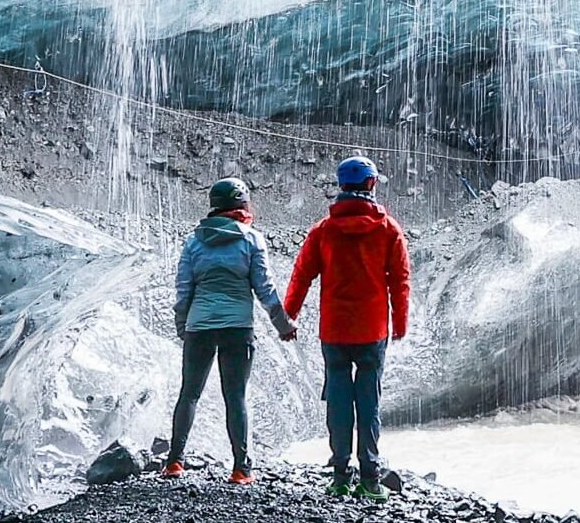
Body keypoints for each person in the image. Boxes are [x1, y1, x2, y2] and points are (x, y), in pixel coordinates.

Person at [284, 153, 411, 503]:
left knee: (338, 400)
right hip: (373, 331)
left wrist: (288, 317)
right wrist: (399, 322)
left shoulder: (323, 231)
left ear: (341, 186)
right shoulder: (389, 229)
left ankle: (340, 475)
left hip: (335, 331)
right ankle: (370, 479)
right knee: (369, 400)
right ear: (371, 184)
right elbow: (399, 280)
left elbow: (302, 276)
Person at [162, 177, 296, 486]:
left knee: (189, 394)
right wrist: (283, 325)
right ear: (241, 203)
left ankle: (174, 463)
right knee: (235, 396)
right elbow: (265, 289)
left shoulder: (194, 242)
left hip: (199, 327)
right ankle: (241, 469)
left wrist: (183, 326)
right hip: (238, 328)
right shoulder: (251, 239)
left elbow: (183, 290)